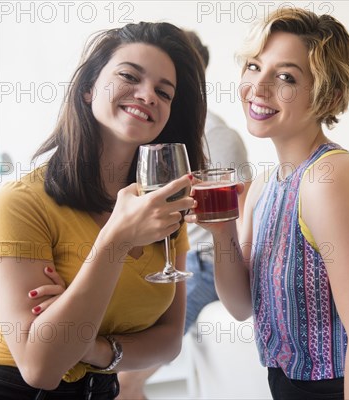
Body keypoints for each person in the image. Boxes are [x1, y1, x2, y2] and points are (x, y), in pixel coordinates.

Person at [185, 8, 349, 399]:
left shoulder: (330, 177)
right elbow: (242, 306)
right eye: (254, 66)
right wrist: (221, 229)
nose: (258, 87)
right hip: (288, 385)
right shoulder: (263, 186)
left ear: (330, 94)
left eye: (285, 77)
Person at [0, 22, 206, 399]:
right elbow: (41, 368)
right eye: (129, 76)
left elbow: (170, 339)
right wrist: (116, 240)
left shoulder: (163, 205)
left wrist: (94, 348)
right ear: (89, 88)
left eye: (164, 91)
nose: (147, 95)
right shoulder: (20, 203)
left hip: (102, 389)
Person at [116, 29, 251, 400]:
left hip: (203, 261)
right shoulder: (150, 131)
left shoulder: (216, 136)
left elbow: (241, 211)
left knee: (126, 380)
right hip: (167, 255)